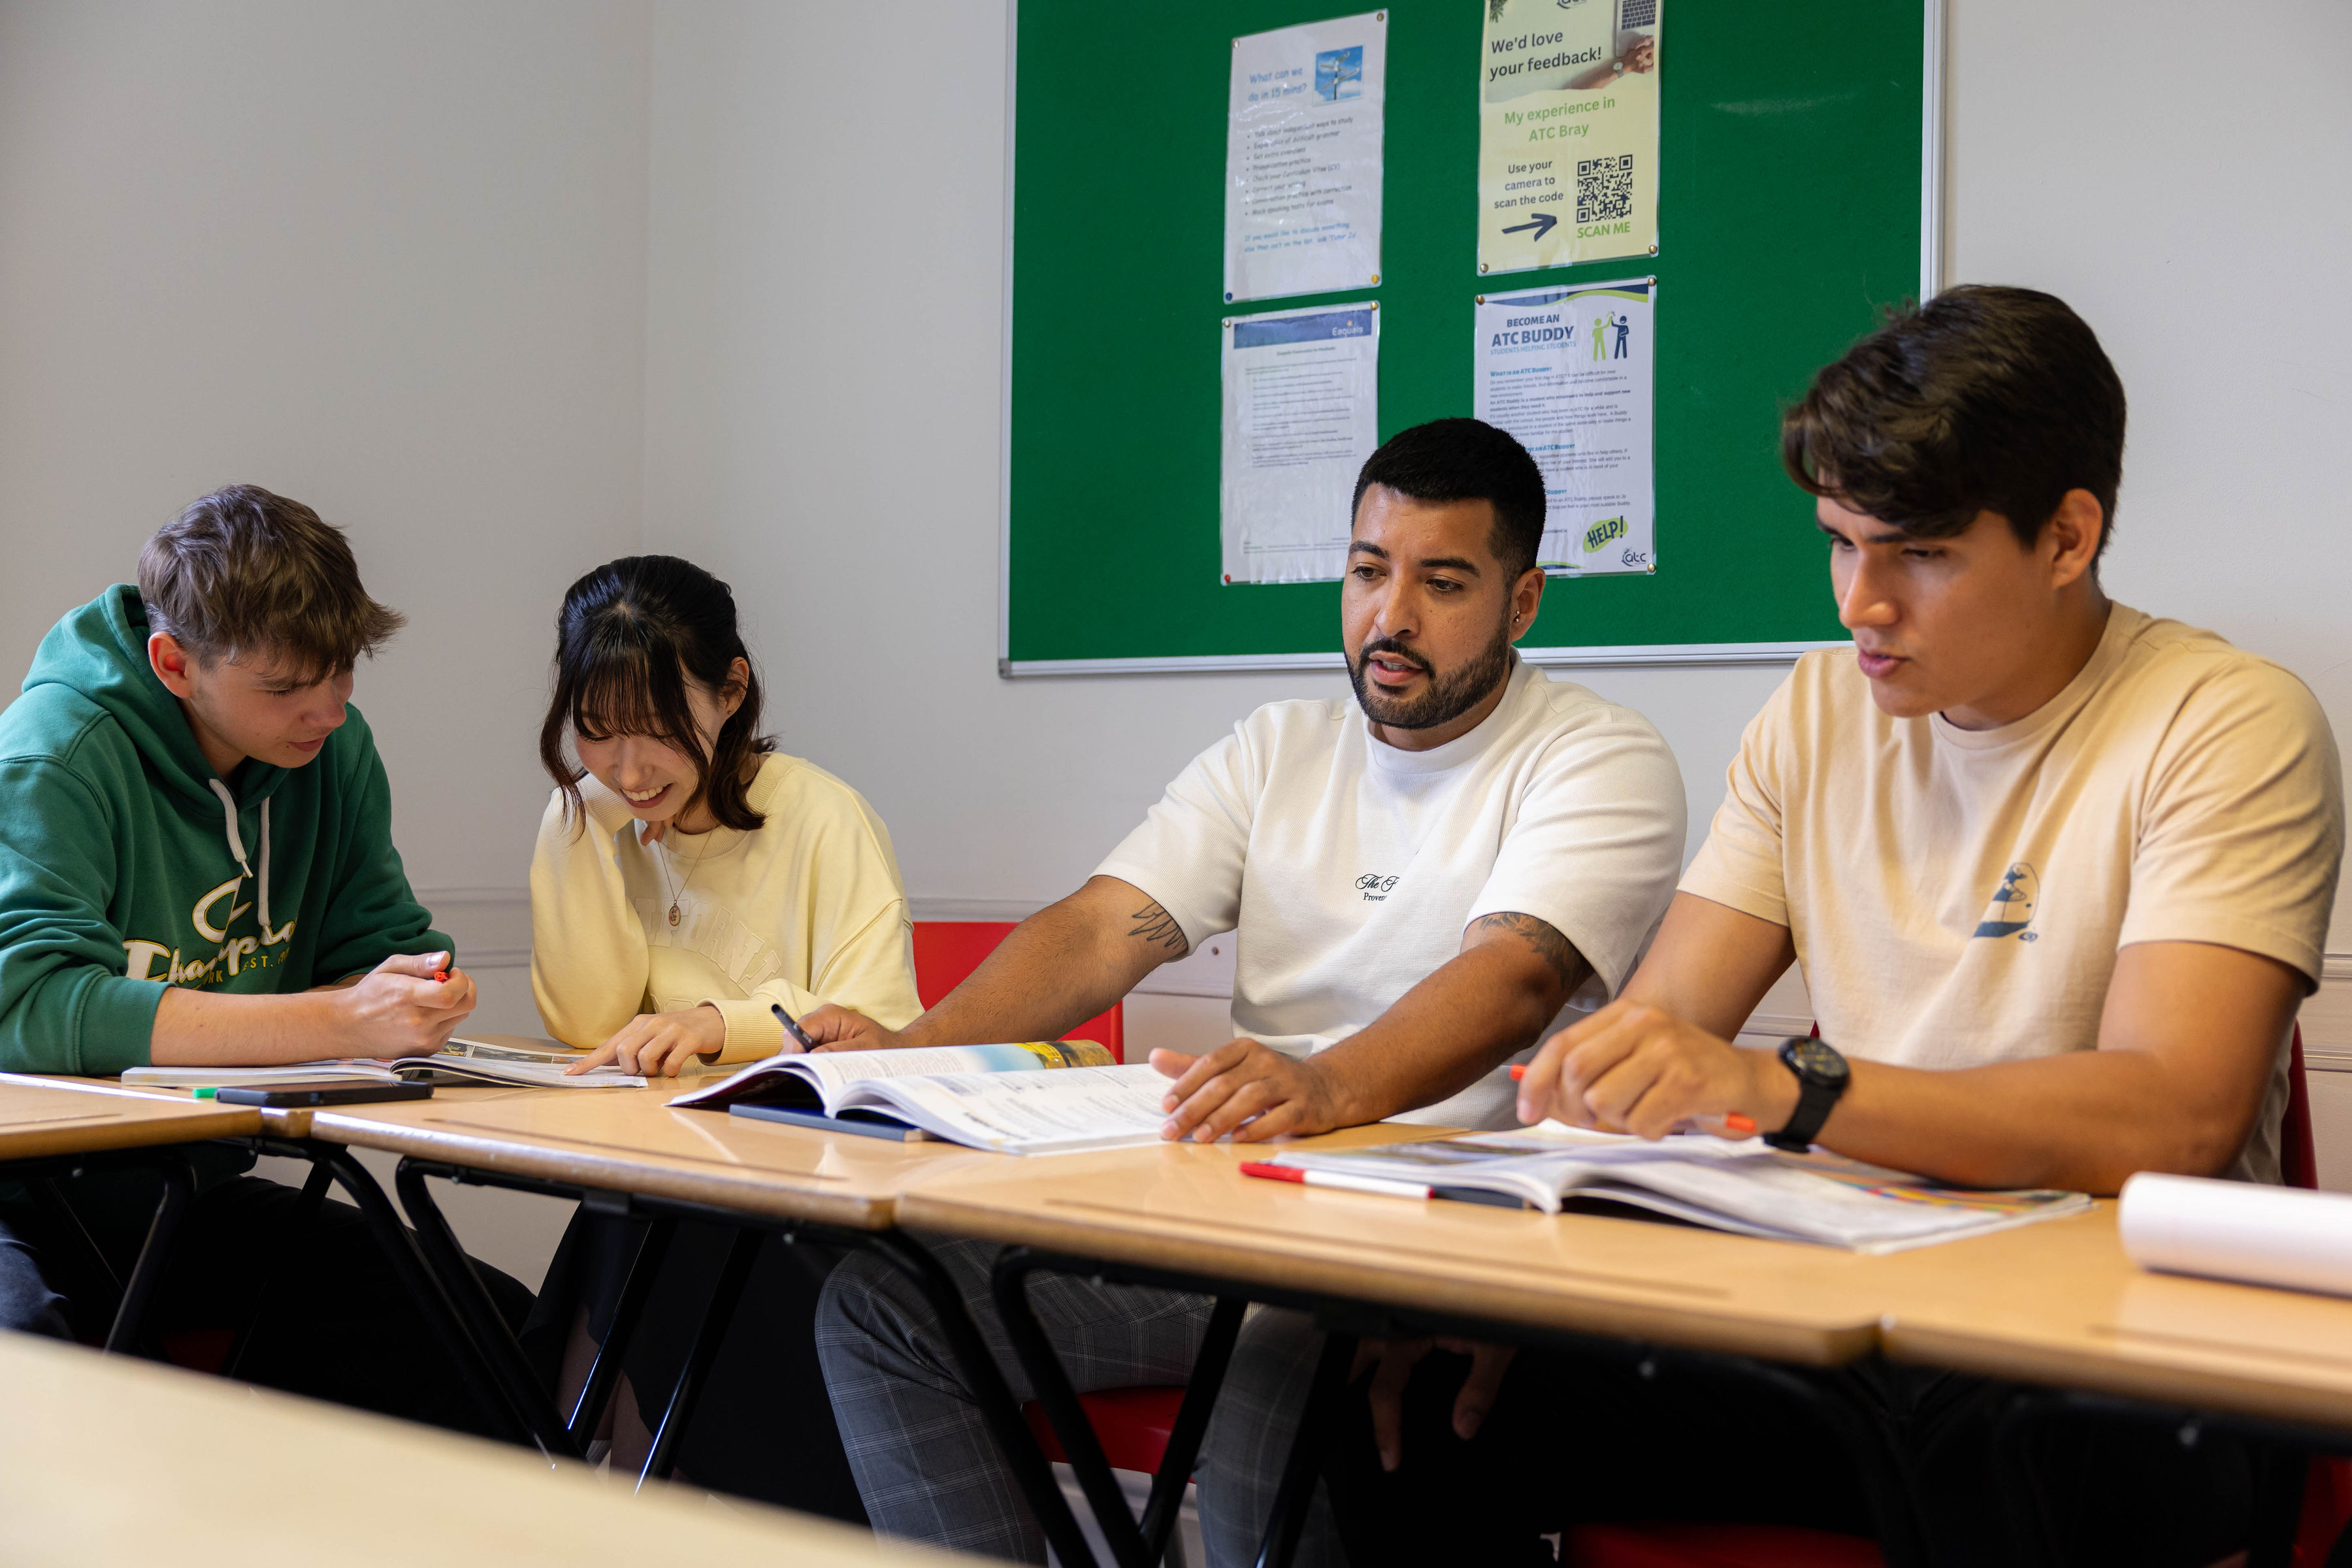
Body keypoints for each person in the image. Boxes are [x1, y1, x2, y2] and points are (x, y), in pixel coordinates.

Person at [1324, 287, 2345, 1567]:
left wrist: (1789, 1090)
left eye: (1917, 553)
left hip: (2108, 1355)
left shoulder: (2224, 721)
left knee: (1999, 1440)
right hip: (1844, 1303)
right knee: (1406, 1386)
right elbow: (1657, 1029)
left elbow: (2172, 1114)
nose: (1861, 603)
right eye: (1840, 542)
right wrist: (1531, 1248)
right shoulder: (1815, 716)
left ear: (2069, 536)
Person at [806, 417, 1689, 1563]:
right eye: (1370, 571)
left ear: (1523, 603)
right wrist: (906, 1058)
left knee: (1277, 1364)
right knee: (885, 1305)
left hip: (1430, 1243)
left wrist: (1322, 1087)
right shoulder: (1279, 747)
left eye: (1444, 582)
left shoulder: (1598, 754)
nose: (1392, 617)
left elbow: (1514, 977)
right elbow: (1098, 931)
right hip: (1232, 1224)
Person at [0, 483, 532, 1433]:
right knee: (28, 1366)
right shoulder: (57, 755)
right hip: (25, 1199)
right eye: (284, 688)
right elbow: (32, 1008)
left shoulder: (330, 751)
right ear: (174, 663)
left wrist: (416, 990)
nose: (326, 712)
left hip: (187, 1195)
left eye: (341, 674)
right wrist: (334, 1018)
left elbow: (383, 947)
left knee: (488, 1335)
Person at [521, 553, 921, 1513]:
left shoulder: (824, 817)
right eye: (596, 732)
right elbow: (585, 1024)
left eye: (655, 730)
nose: (626, 767)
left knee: (642, 1227)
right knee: (632, 1212)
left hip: (808, 1209)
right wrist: (577, 825)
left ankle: (603, 1492)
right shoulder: (599, 813)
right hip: (672, 1183)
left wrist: (719, 1026)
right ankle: (607, 1497)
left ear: (731, 689)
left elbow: (887, 1032)